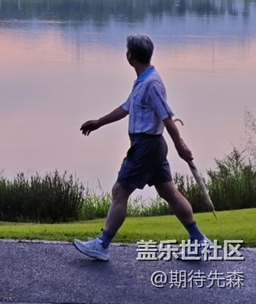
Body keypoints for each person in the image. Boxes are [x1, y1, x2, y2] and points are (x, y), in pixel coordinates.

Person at [73, 33, 209, 261]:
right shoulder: (143, 81)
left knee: (120, 191)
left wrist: (181, 147)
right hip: (150, 146)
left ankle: (102, 245)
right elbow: (126, 107)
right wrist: (99, 122)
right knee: (169, 192)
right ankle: (199, 240)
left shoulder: (151, 84)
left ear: (129, 56)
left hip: (146, 146)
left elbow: (167, 118)